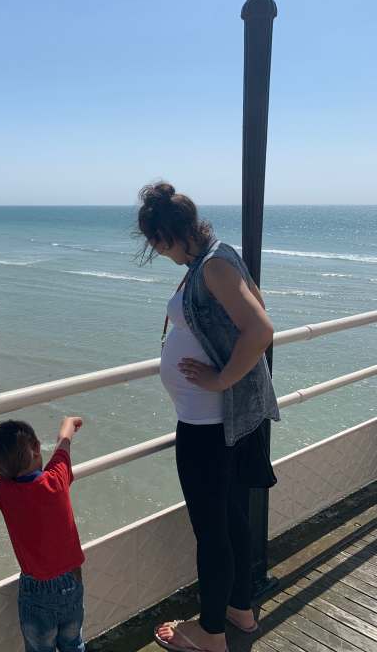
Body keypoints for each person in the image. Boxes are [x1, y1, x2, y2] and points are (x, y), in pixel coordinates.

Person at [136, 182, 279, 652]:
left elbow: (259, 328)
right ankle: (239, 610)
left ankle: (210, 632)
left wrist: (220, 380)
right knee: (232, 517)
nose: (159, 254)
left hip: (209, 423)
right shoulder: (216, 256)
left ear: (165, 234)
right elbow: (254, 306)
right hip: (223, 421)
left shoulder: (213, 264)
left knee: (211, 529)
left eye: (156, 244)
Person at [0, 417, 85, 652]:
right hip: (72, 579)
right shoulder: (57, 476)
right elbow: (63, 443)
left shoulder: (4, 490)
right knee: (73, 643)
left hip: (36, 589)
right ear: (37, 448)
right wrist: (70, 423)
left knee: (40, 648)